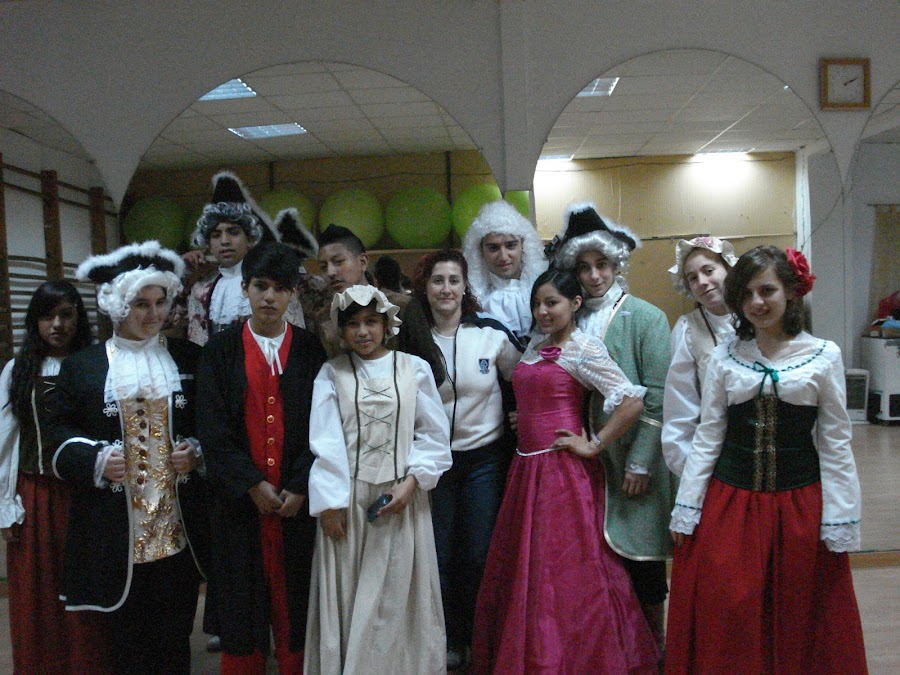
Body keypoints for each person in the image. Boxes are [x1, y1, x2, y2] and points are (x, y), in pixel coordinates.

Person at [667, 246, 867, 673]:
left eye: (767, 290)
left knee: (800, 614)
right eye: (746, 294)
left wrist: (840, 516)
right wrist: (687, 506)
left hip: (799, 505)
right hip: (731, 504)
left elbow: (835, 442)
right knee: (732, 610)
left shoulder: (824, 355)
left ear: (791, 291)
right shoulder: (725, 356)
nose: (757, 302)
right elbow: (709, 435)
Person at [472, 269, 659, 674]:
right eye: (537, 304)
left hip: (563, 473)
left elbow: (630, 401)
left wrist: (594, 444)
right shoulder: (536, 345)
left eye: (551, 302)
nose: (542, 311)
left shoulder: (583, 347)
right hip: (526, 469)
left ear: (575, 304)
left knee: (567, 569)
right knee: (531, 569)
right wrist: (525, 415)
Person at [47, 241, 209, 674]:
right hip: (114, 530)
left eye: (159, 302)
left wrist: (197, 452)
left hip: (177, 530)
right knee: (124, 642)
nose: (153, 314)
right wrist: (95, 460)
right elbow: (57, 434)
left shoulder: (189, 358)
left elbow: (216, 426)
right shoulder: (82, 367)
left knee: (175, 637)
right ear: (118, 306)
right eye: (141, 304)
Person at [304, 285, 452, 674]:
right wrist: (330, 503)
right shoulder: (331, 373)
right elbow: (326, 440)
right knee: (354, 592)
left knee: (398, 595)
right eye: (353, 324)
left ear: (387, 325)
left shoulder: (414, 368)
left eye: (371, 321)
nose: (363, 331)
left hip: (402, 496)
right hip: (349, 499)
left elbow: (433, 434)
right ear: (341, 330)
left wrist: (412, 483)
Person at [197, 242, 327, 673]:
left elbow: (324, 427)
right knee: (241, 598)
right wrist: (251, 484)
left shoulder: (310, 350)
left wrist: (300, 485)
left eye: (280, 288)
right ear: (245, 289)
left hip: (296, 502)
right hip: (238, 503)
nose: (269, 297)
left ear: (293, 294)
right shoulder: (219, 351)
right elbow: (212, 429)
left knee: (297, 596)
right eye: (260, 286)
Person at [551, 203, 676, 649]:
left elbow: (657, 395)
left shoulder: (646, 317)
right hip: (580, 462)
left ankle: (656, 646)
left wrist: (641, 461)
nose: (594, 275)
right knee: (595, 561)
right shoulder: (566, 318)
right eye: (583, 267)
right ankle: (615, 647)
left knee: (643, 560)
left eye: (601, 264)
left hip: (630, 458)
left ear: (616, 263)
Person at [412, 250, 522, 670]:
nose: (446, 289)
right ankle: (449, 639)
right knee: (438, 557)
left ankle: (481, 640)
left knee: (478, 555)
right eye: (437, 280)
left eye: (454, 280)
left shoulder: (490, 333)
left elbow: (524, 376)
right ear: (425, 287)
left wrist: (525, 414)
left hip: (484, 462)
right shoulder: (411, 337)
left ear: (465, 286)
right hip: (433, 464)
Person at [0, 281, 110, 672]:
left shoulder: (97, 364)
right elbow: (5, 440)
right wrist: (5, 505)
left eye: (66, 315)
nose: (57, 325)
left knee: (86, 586)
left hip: (86, 494)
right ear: (35, 321)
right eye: (47, 316)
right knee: (38, 589)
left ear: (79, 318)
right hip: (36, 495)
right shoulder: (18, 370)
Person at [179, 171, 315, 346]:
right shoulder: (201, 290)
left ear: (250, 238)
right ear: (208, 243)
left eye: (233, 232)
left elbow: (295, 339)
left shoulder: (276, 282)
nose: (225, 241)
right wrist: (182, 271)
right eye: (216, 235)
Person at [314, 223, 444, 385]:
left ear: (363, 262)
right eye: (323, 267)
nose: (330, 272)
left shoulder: (401, 306)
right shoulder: (324, 318)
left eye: (338, 262)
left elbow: (433, 373)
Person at [662, 236, 738, 476]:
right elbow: (680, 402)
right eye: (692, 278)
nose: (702, 282)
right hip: (715, 453)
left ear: (728, 268)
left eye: (708, 271)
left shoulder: (757, 317)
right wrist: (689, 468)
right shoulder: (688, 329)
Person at [462, 199, 548, 342]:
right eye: (493, 248)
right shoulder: (472, 301)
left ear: (523, 245)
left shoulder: (546, 290)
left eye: (510, 245)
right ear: (480, 251)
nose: (503, 256)